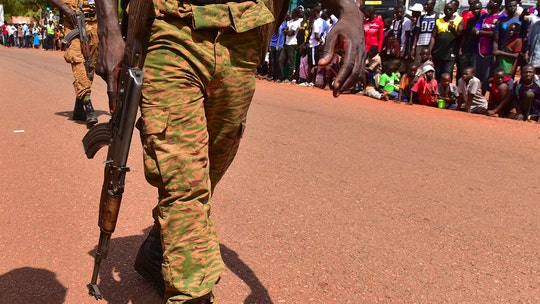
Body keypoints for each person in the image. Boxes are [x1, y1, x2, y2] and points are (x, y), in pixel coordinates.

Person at [93, 0, 366, 302]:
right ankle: (192, 293)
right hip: (173, 27)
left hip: (245, 35)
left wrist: (349, 10)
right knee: (185, 185)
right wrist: (108, 25)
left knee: (209, 170)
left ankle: (159, 248)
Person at [49, 0, 99, 127]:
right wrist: (65, 8)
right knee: (78, 61)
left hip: (94, 24)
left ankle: (78, 108)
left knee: (90, 67)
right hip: (73, 23)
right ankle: (88, 105)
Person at [474, 0, 503, 93]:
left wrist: (480, 32)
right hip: (479, 51)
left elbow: (495, 34)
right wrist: (481, 32)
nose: (488, 3)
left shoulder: (501, 17)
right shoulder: (484, 16)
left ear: (497, 4)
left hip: (490, 52)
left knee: (487, 78)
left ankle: (483, 99)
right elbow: (475, 30)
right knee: (477, 76)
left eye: (491, 1)